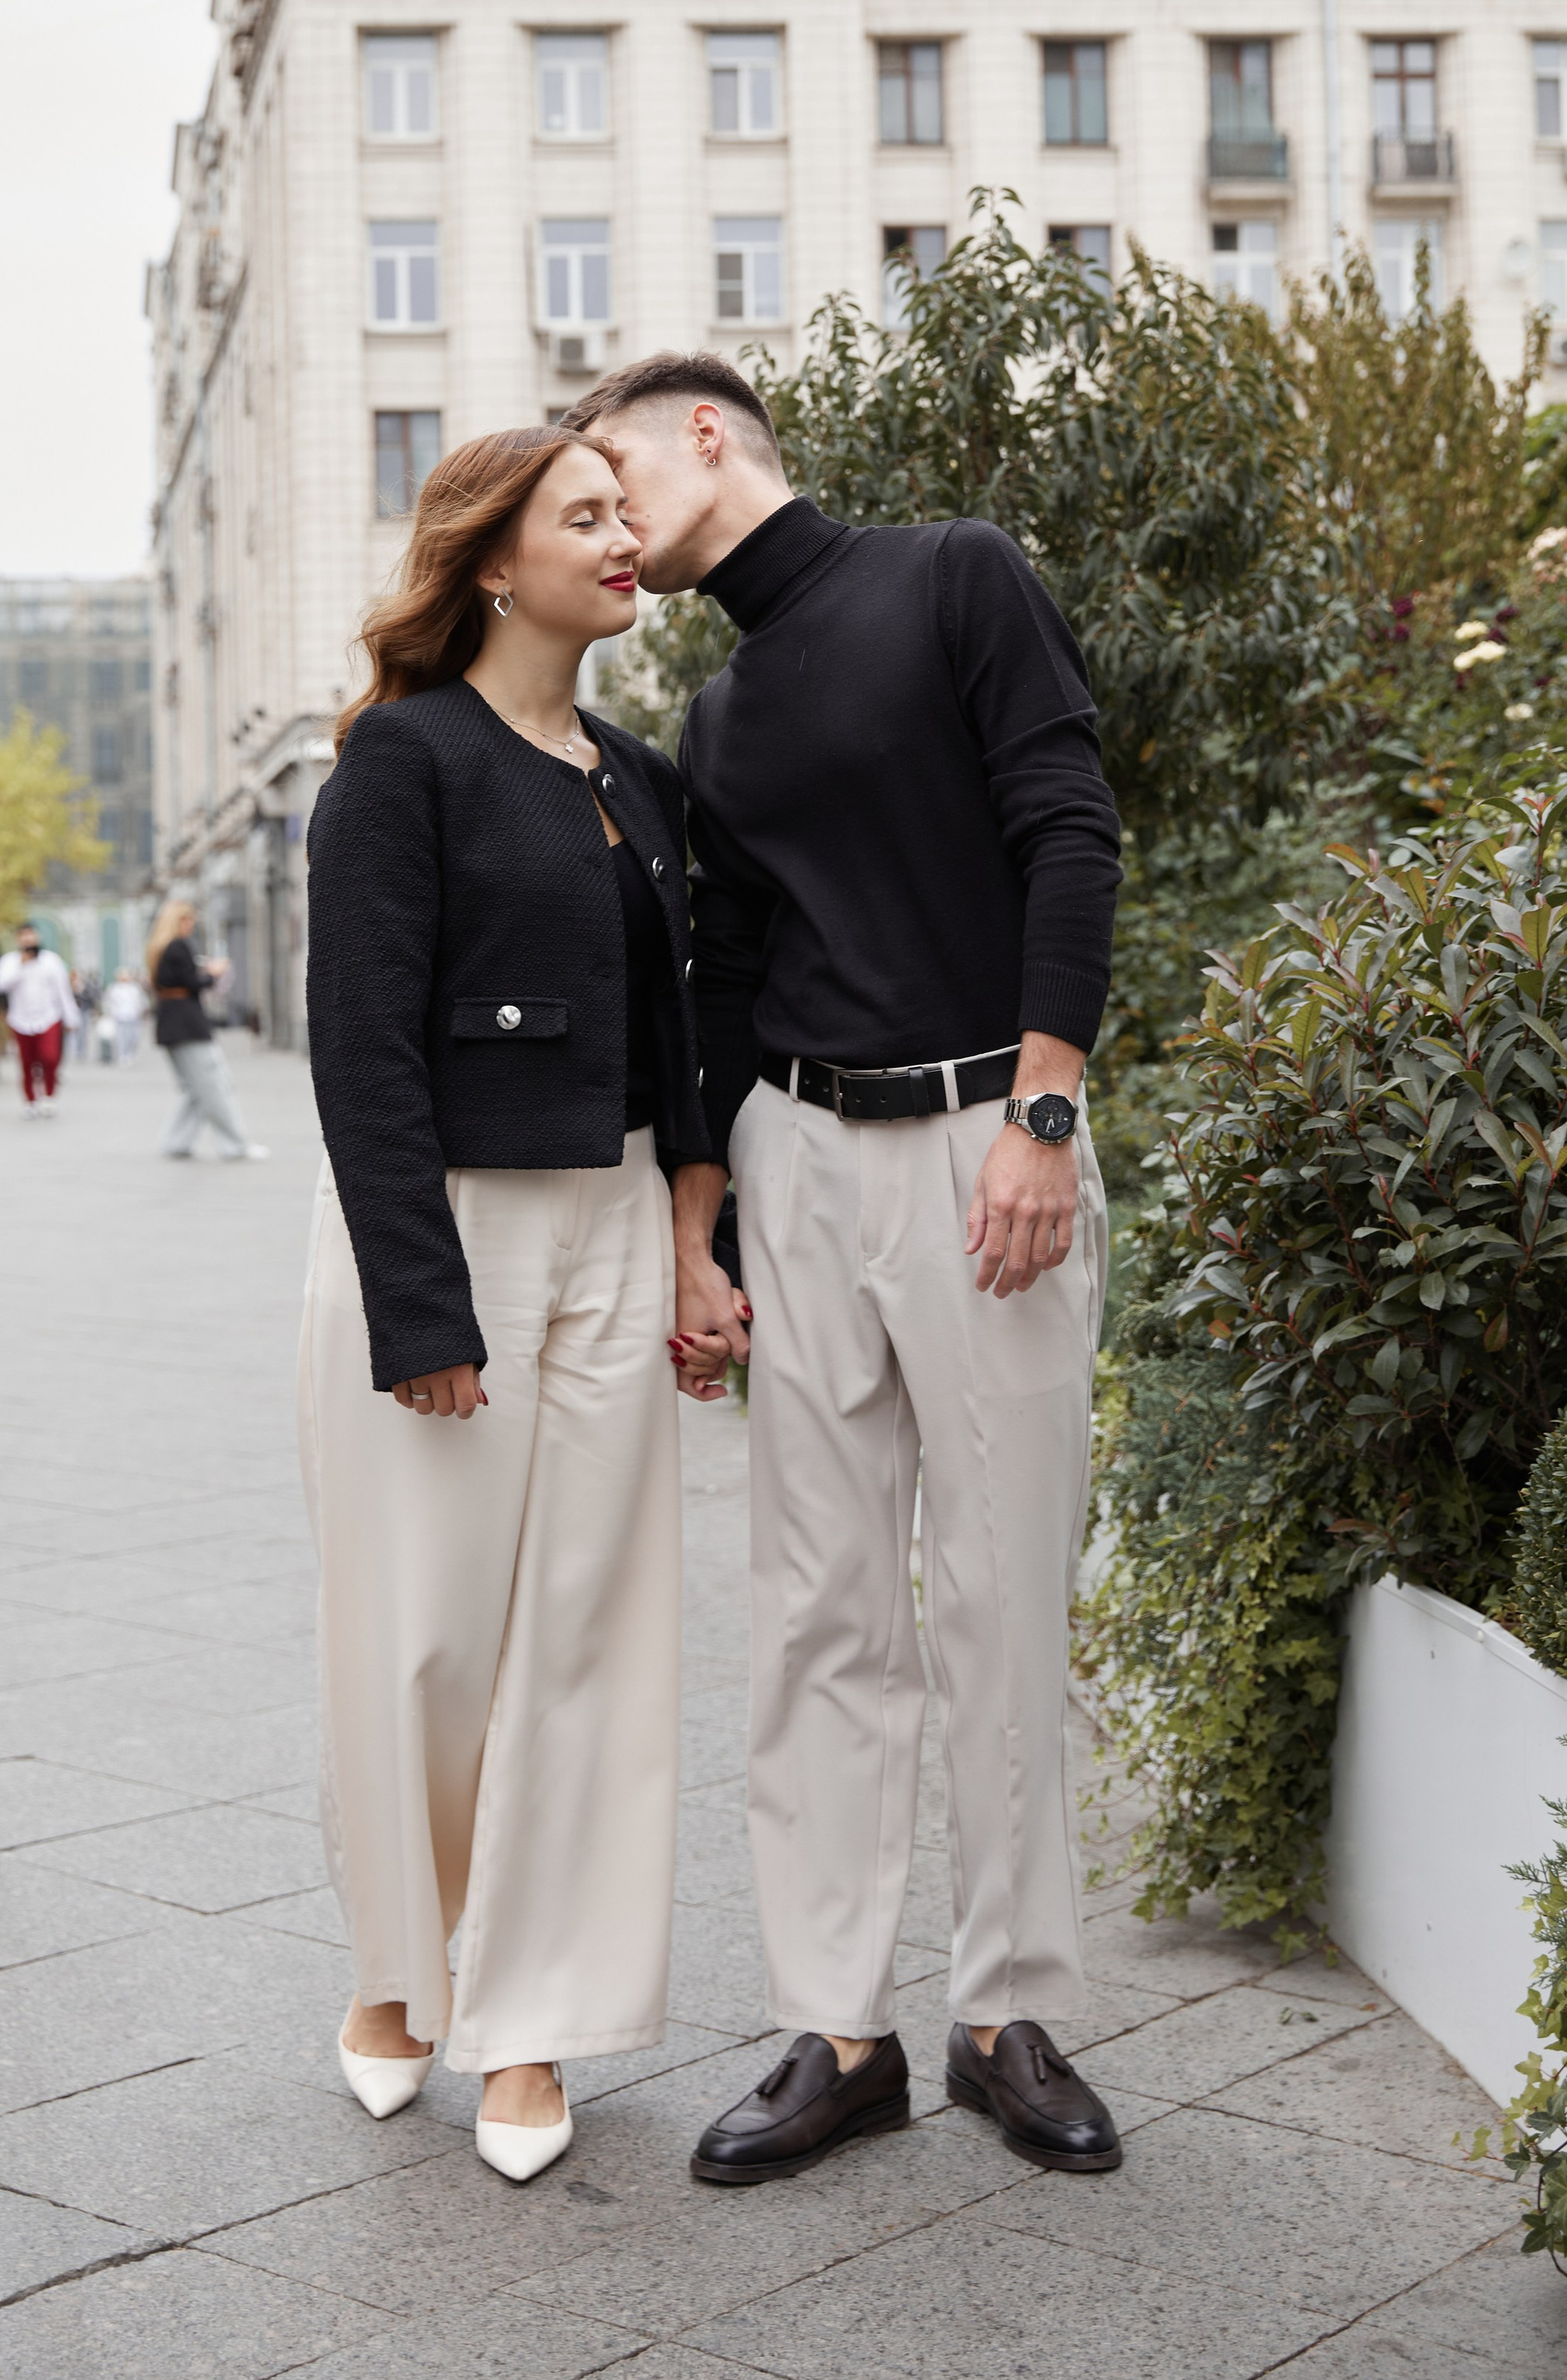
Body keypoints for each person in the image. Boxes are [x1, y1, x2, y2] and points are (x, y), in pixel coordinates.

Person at [571, 351, 1127, 2185]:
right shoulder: (713, 716)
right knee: (818, 1602)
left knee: (996, 1588)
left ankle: (1003, 2010)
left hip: (987, 1138)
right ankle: (838, 2026)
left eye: (611, 468)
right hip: (797, 1154)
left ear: (702, 430)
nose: (605, 514)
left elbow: (1068, 824)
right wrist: (703, 1218)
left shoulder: (949, 574)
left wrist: (1042, 1112)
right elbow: (720, 974)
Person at [300, 426, 720, 2185]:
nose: (627, 537)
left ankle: (527, 2010)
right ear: (491, 559)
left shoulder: (633, 772)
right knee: (427, 1643)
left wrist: (700, 1241)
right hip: (444, 1232)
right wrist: (421, 1304)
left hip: (617, 1215)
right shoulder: (400, 766)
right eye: (586, 515)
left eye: (630, 513)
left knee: (587, 1636)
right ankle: (402, 1970)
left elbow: (685, 1039)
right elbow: (360, 1045)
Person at [146, 904, 268, 1160]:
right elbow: (193, 982)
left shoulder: (159, 948)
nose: (191, 925)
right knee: (215, 1084)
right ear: (177, 921)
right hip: (187, 1024)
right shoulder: (178, 945)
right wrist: (213, 973)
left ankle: (175, 1142)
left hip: (172, 1023)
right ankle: (235, 1145)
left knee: (193, 1087)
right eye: (188, 921)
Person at [0, 925, 79, 1117]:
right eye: (24, 938)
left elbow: (63, 991)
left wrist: (71, 1017)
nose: (28, 942)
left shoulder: (51, 961)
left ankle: (48, 1095)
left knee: (49, 1057)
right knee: (26, 1062)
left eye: (31, 938)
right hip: (20, 1019)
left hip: (49, 1017)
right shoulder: (10, 962)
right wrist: (20, 966)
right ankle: (30, 1100)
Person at [105, 968, 148, 1067]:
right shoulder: (114, 988)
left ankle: (130, 1053)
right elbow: (109, 1002)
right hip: (120, 1016)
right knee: (121, 1037)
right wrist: (111, 1013)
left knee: (134, 1036)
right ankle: (122, 1055)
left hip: (133, 1016)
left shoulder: (135, 988)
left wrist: (141, 1011)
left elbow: (142, 1001)